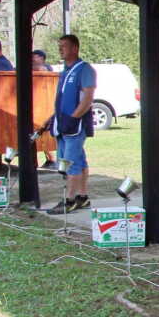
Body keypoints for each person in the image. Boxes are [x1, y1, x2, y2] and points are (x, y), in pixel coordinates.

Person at [45, 35, 96, 214]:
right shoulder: (65, 71)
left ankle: (69, 200)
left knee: (69, 163)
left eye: (64, 46)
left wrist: (74, 118)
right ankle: (82, 196)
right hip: (62, 125)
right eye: (59, 46)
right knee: (79, 161)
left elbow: (88, 98)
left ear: (74, 48)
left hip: (75, 126)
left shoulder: (84, 69)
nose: (60, 49)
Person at [32, 50, 57, 168]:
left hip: (44, 106)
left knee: (44, 134)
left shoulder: (45, 69)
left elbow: (42, 71)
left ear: (42, 58)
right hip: (39, 106)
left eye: (34, 57)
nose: (32, 59)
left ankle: (52, 159)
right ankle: (49, 159)